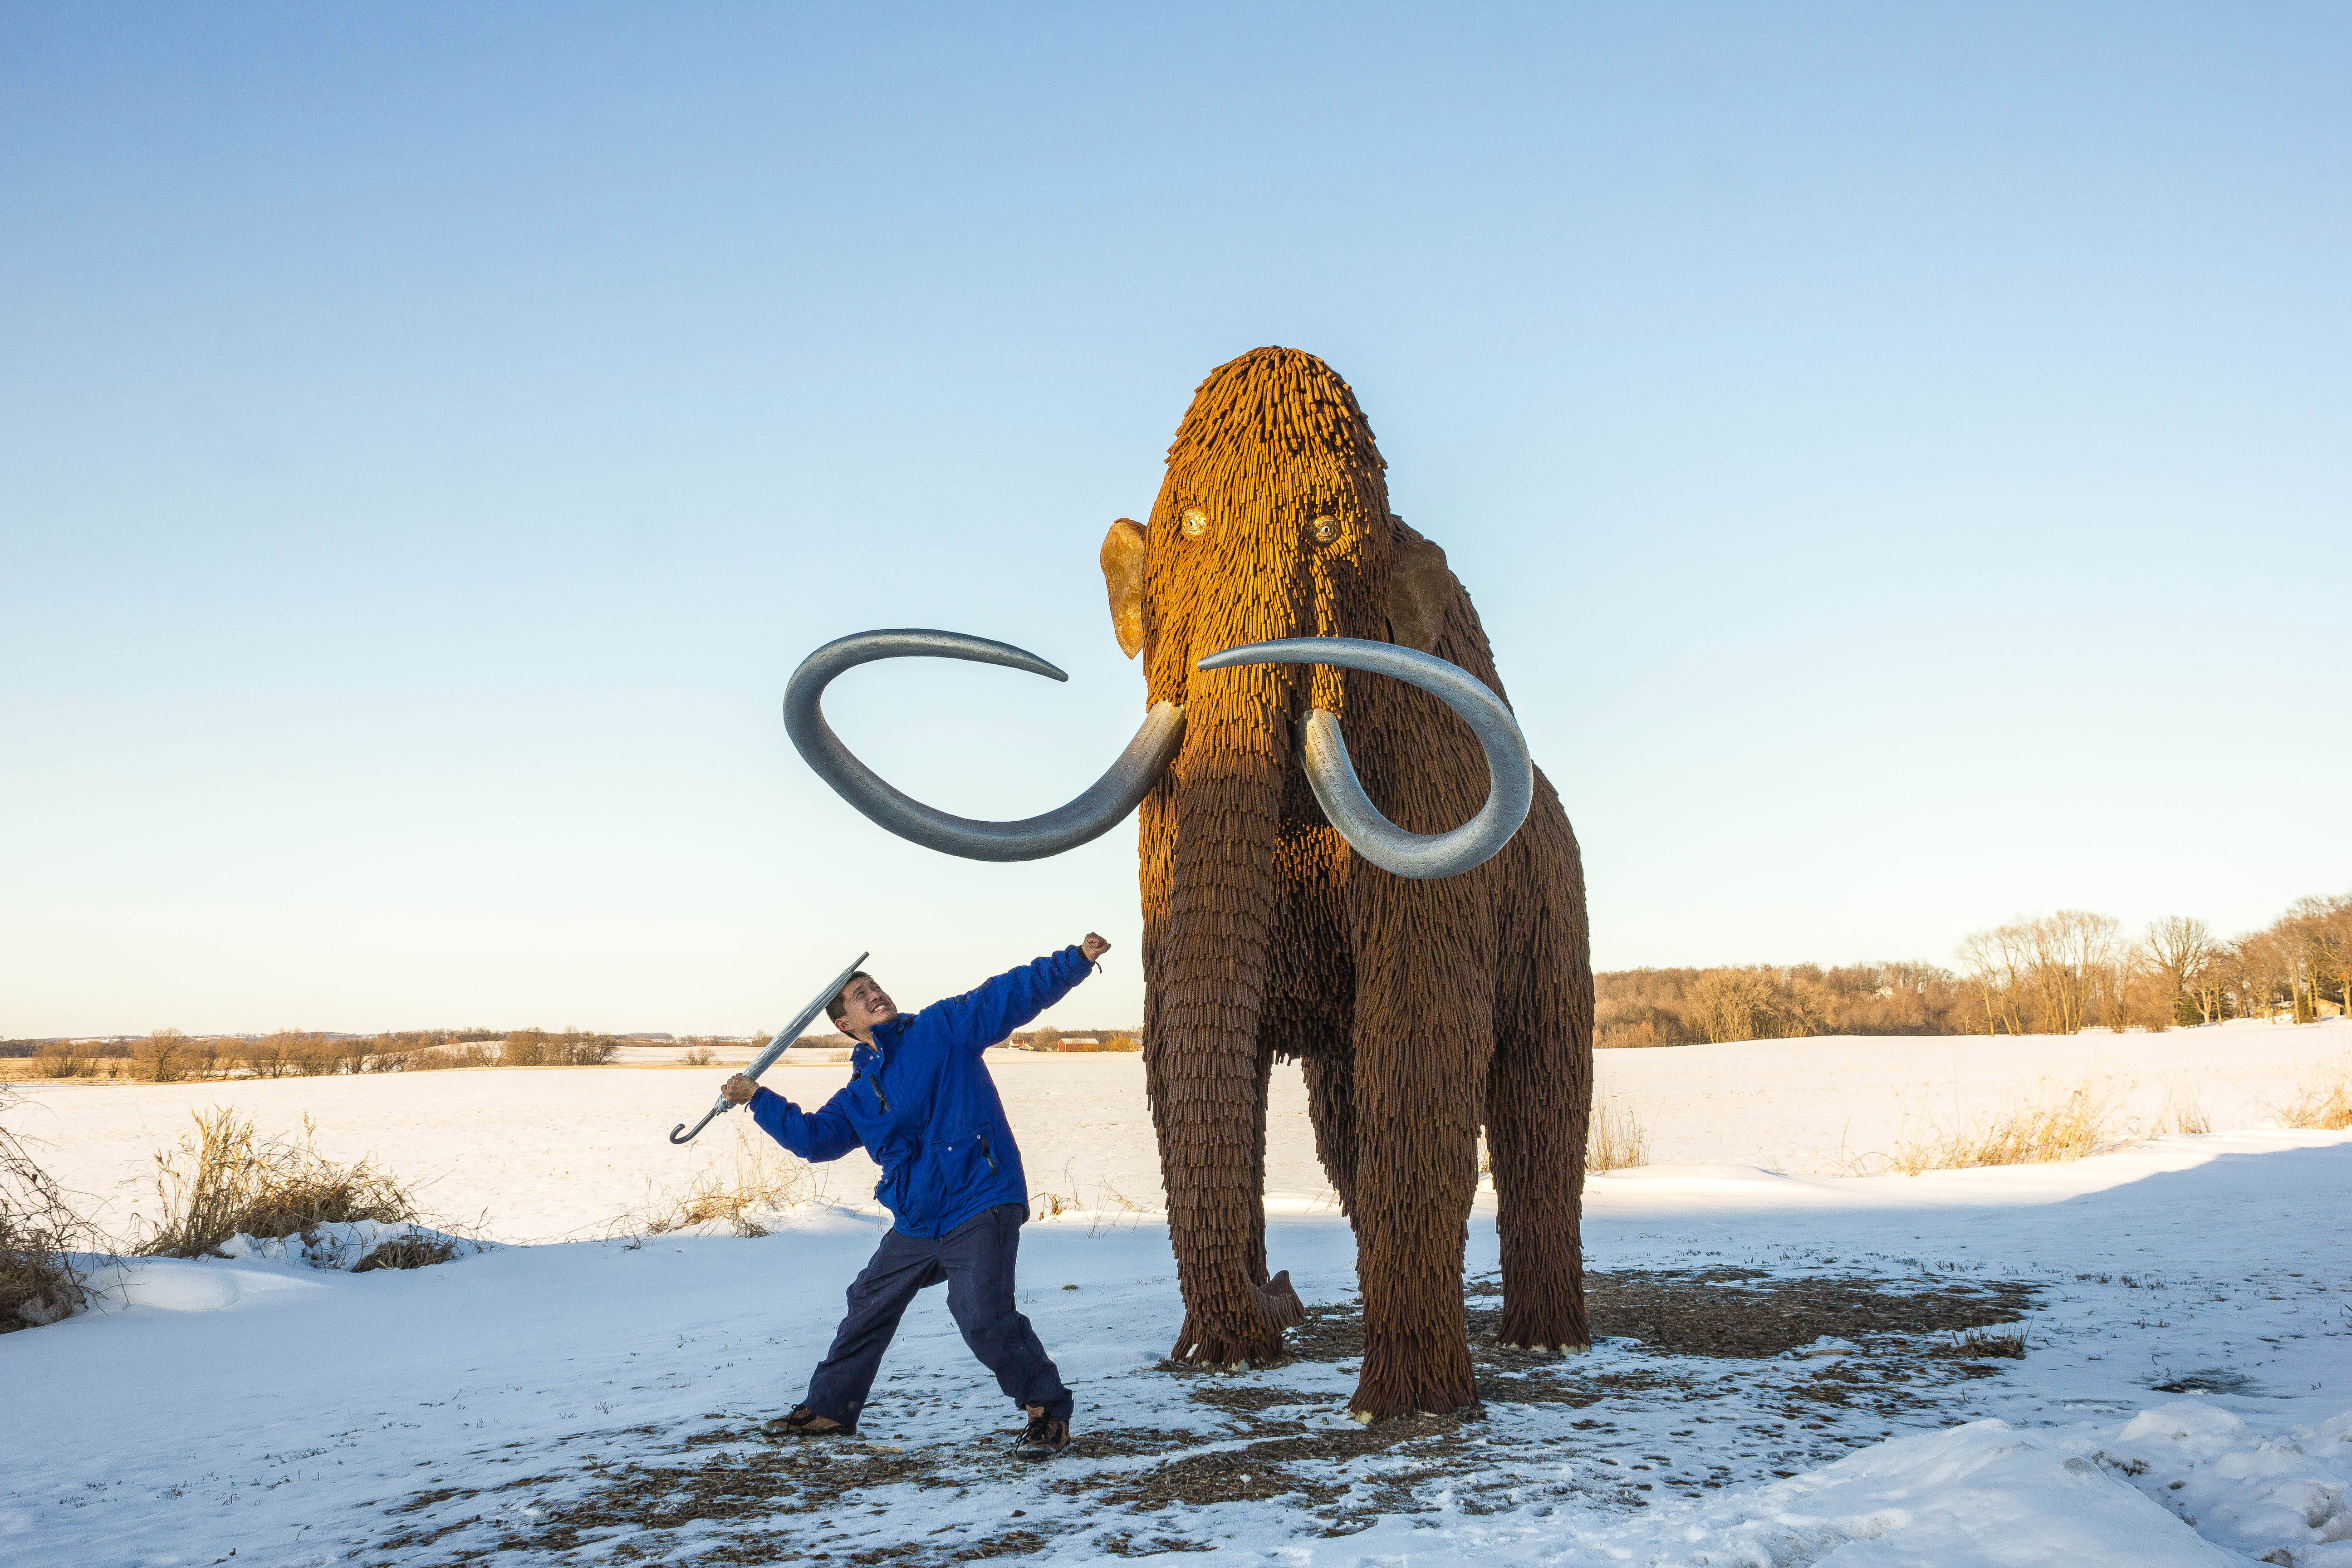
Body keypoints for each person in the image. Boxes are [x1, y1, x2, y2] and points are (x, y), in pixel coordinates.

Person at [722, 933, 1111, 1455]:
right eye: (860, 996)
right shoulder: (859, 1095)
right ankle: (831, 1411)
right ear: (845, 1025)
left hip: (980, 1197)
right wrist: (759, 1099)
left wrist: (1075, 961)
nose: (874, 995)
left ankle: (1048, 1412)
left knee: (980, 1313)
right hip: (919, 1220)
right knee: (868, 1301)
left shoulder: (941, 1029)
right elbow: (813, 1140)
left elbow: (1008, 994)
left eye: (875, 986)